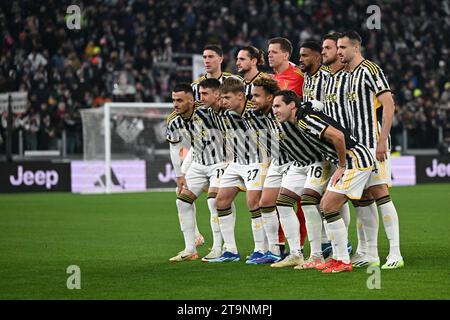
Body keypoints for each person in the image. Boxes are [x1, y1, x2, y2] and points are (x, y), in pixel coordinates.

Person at [273, 90, 375, 273]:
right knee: (329, 206)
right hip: (354, 160)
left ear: (291, 105)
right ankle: (339, 257)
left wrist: (342, 165)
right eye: (273, 107)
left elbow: (338, 136)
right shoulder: (303, 115)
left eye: (278, 106)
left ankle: (344, 260)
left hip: (355, 161)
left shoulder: (305, 120)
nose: (275, 110)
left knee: (329, 206)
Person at [337, 31, 404, 269]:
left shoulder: (370, 70)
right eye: (338, 47)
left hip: (372, 144)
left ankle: (395, 253)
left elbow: (388, 103)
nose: (339, 51)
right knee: (362, 199)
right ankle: (370, 253)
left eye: (343, 47)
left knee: (381, 195)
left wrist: (383, 140)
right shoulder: (345, 76)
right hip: (355, 148)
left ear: (356, 48)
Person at [210, 77, 270, 263]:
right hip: (236, 163)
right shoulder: (226, 114)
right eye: (222, 97)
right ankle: (231, 251)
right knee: (220, 201)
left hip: (257, 162)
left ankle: (261, 249)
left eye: (227, 97)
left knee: (253, 202)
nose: (223, 101)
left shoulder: (257, 112)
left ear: (241, 96)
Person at [167, 82, 229, 262]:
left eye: (180, 100)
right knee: (182, 202)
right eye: (173, 100)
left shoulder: (207, 112)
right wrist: (179, 175)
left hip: (219, 163)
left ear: (192, 101)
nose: (175, 104)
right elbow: (174, 148)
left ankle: (218, 247)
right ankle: (190, 249)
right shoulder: (174, 121)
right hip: (198, 164)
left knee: (214, 202)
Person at [267, 37, 307, 251]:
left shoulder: (299, 76)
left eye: (274, 51)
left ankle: (313, 243)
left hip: (302, 145)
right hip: (280, 145)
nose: (269, 55)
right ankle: (282, 244)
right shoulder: (271, 79)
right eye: (268, 51)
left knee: (304, 199)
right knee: (279, 199)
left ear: (285, 55)